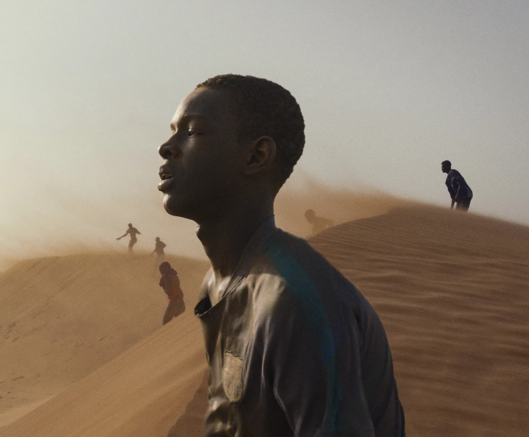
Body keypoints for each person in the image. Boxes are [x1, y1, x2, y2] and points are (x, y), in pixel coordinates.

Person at [158, 74, 405, 436]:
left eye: (193, 131)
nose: (167, 147)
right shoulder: (218, 282)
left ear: (256, 156)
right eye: (173, 130)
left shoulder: (292, 299)